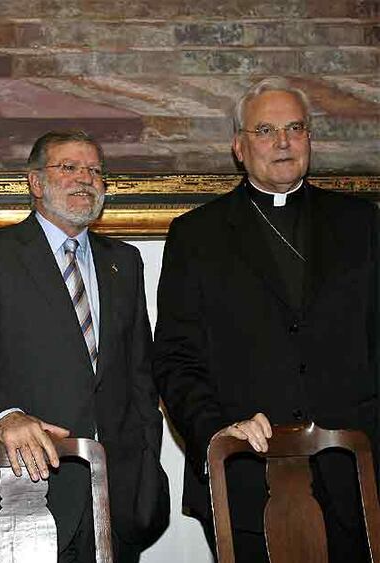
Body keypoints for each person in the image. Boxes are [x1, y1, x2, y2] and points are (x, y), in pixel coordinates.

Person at [154, 77, 379, 562]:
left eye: (295, 128)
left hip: (358, 474)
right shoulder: (196, 236)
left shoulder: (361, 223)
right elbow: (175, 358)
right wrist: (219, 430)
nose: (283, 142)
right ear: (239, 146)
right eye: (265, 131)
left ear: (309, 139)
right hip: (247, 477)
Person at [0, 130, 169, 563]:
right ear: (36, 183)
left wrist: (150, 461)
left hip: (118, 493)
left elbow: (140, 375)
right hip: (28, 487)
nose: (85, 179)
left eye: (95, 171)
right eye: (69, 168)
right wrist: (5, 416)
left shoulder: (125, 261)